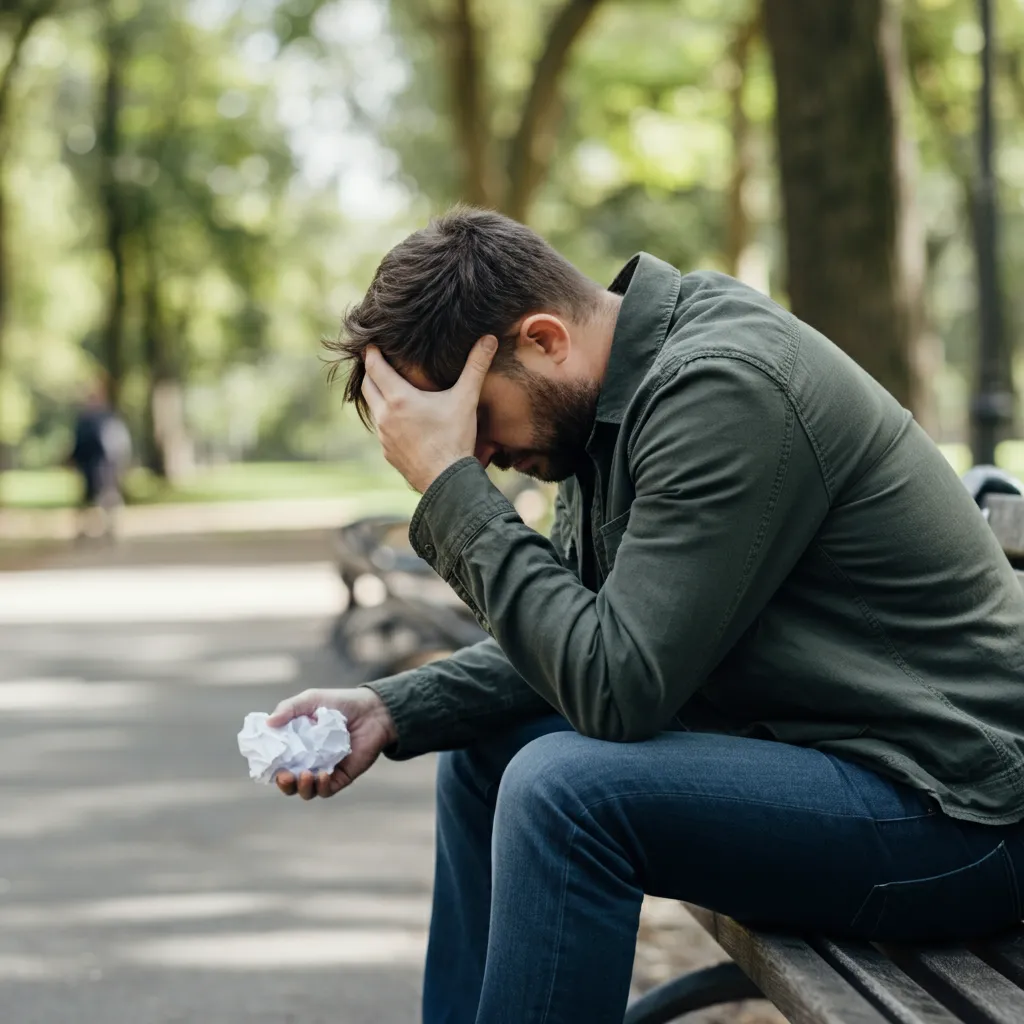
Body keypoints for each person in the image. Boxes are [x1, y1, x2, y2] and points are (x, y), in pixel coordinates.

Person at [268, 208, 1024, 1024]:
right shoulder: (607, 401)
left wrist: (453, 488)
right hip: (841, 766)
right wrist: (390, 707)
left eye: (475, 423)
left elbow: (616, 689)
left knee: (565, 792)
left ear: (544, 340)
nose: (480, 455)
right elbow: (582, 630)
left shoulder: (725, 387)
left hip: (958, 817)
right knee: (484, 749)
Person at [68, 381, 131, 541]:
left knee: (107, 495)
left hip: (104, 463)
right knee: (88, 497)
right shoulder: (85, 419)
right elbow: (78, 443)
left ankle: (109, 527)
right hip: (88, 464)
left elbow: (116, 442)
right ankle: (85, 528)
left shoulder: (107, 419)